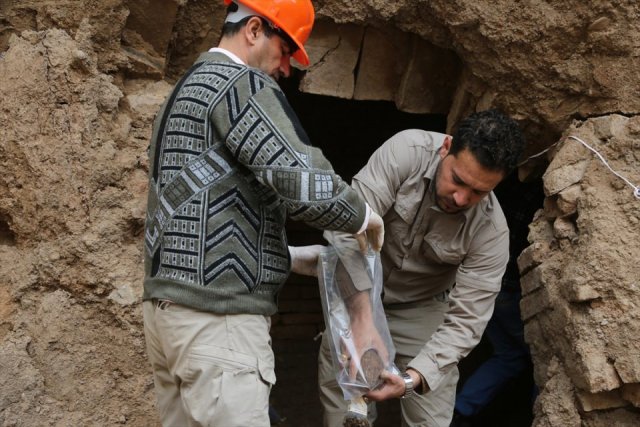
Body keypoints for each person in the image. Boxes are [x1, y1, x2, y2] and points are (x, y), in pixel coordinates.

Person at [140, 1, 384, 426]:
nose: (287, 68)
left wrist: (282, 256)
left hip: (170, 320)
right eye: (287, 50)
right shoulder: (239, 85)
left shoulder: (185, 90)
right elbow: (299, 178)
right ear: (254, 29)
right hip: (220, 323)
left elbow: (201, 210)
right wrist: (362, 215)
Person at [290, 109, 526, 427]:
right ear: (446, 148)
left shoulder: (491, 231)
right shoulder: (406, 152)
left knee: (429, 418)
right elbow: (348, 230)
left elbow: (467, 322)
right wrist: (362, 320)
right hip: (356, 289)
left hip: (423, 308)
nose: (460, 198)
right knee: (349, 411)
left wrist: (413, 380)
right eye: (458, 180)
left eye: (479, 192)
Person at [450, 173, 544, 427]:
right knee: (544, 360)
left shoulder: (498, 188)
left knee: (508, 355)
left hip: (481, 288)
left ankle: (459, 413)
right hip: (513, 291)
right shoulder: (540, 194)